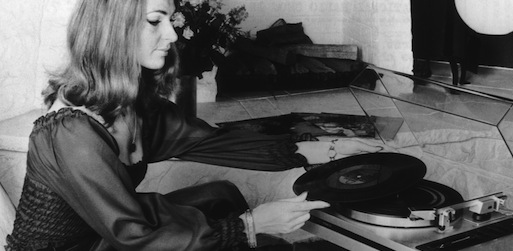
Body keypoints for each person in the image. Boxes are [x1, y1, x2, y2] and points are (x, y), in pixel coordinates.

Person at [4, 0, 387, 250]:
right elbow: (135, 236)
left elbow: (216, 141)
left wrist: (325, 147)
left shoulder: (132, 106)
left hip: (106, 238)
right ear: (113, 31)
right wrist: (249, 226)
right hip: (101, 244)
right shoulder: (70, 132)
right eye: (156, 21)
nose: (171, 35)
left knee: (220, 193)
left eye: (170, 21)